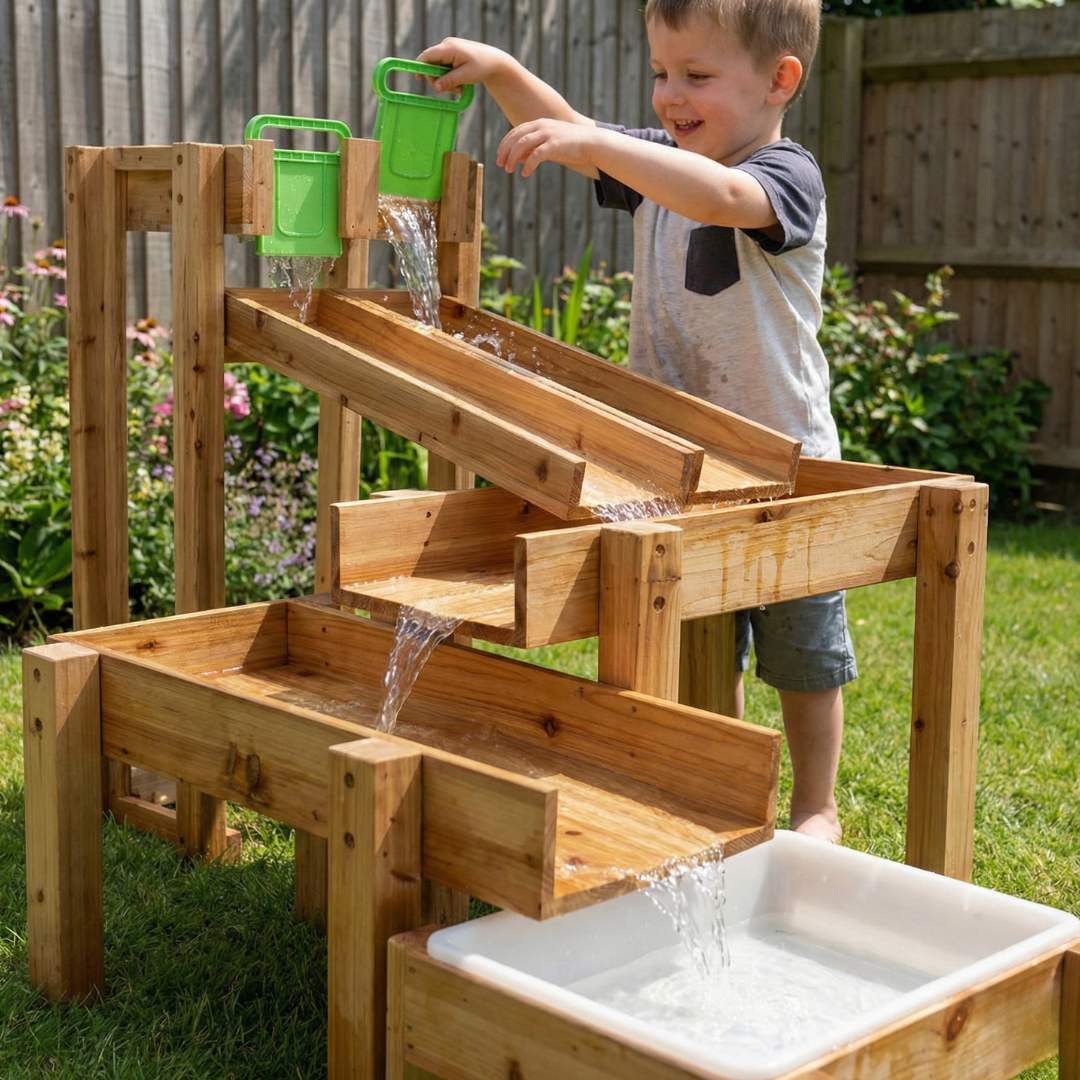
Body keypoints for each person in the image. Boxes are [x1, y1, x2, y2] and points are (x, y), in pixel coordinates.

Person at [418, 0, 855, 844]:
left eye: (696, 76)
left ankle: (815, 807)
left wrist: (594, 143)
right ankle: (716, 786)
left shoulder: (781, 174)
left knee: (803, 649)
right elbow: (576, 132)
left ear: (780, 80)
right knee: (698, 642)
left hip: (783, 466)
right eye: (660, 73)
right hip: (677, 465)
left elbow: (724, 196)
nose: (668, 96)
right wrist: (505, 71)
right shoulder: (666, 164)